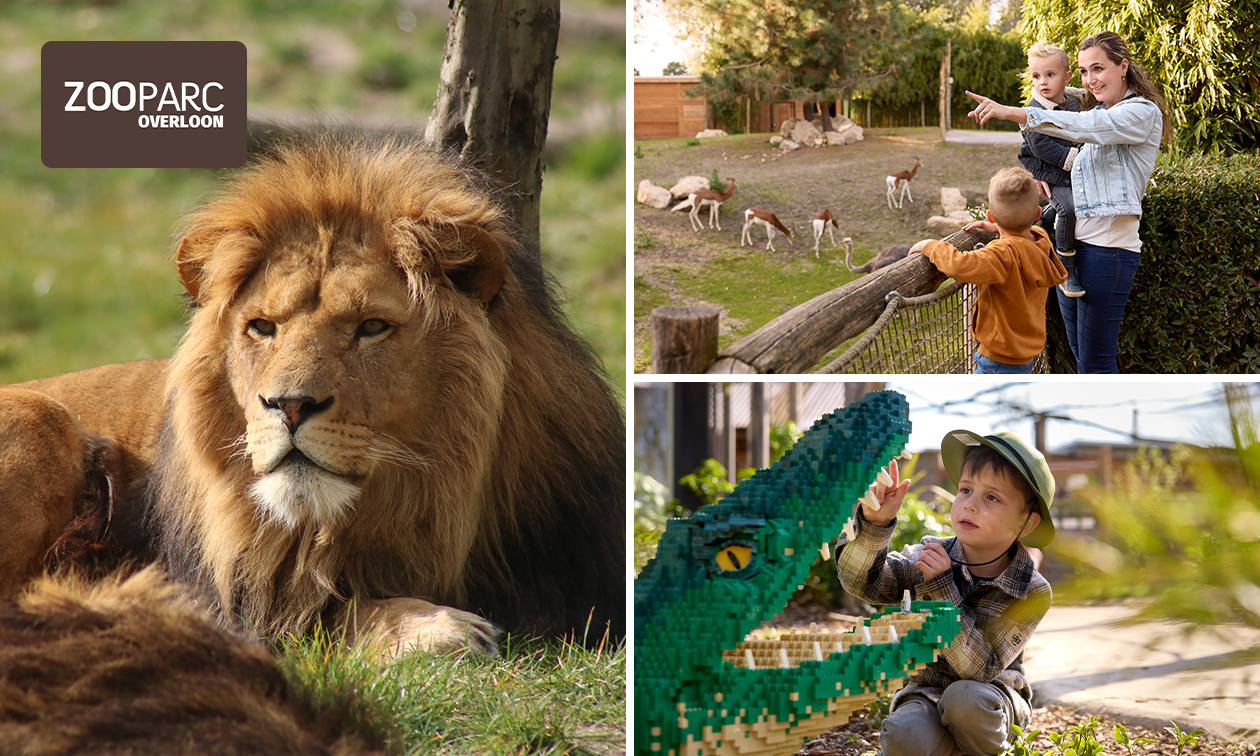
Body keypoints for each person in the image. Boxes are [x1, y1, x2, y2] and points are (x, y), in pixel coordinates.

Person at [834, 430, 1056, 756]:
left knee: (965, 699)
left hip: (992, 700)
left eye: (992, 498)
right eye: (965, 490)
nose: (970, 505)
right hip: (926, 694)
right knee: (904, 733)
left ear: (1026, 523)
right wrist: (874, 524)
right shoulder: (930, 554)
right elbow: (862, 582)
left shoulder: (1031, 591)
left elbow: (979, 670)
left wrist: (940, 589)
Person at [964, 31, 1171, 373]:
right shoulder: (1099, 107)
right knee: (1080, 357)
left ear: (1123, 66)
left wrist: (1014, 112)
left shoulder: (1138, 113)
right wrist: (1009, 224)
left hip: (1107, 251)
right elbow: (1073, 108)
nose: (1091, 80)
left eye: (1098, 69)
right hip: (1070, 251)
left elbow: (1083, 126)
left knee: (1096, 364)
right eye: (1085, 71)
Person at [909, 167, 1066, 374]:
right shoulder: (1040, 241)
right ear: (1038, 214)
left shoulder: (1002, 254)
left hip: (998, 358)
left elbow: (960, 265)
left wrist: (930, 246)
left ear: (990, 216)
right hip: (1023, 355)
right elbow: (1026, 234)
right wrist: (1002, 227)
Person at [1018, 41, 1085, 298]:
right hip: (1050, 171)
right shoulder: (1033, 111)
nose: (1042, 82)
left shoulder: (1075, 103)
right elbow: (1041, 146)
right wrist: (1076, 158)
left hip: (1072, 166)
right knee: (1068, 207)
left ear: (1067, 77)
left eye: (1050, 75)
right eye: (1036, 76)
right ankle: (1066, 268)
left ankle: (1047, 218)